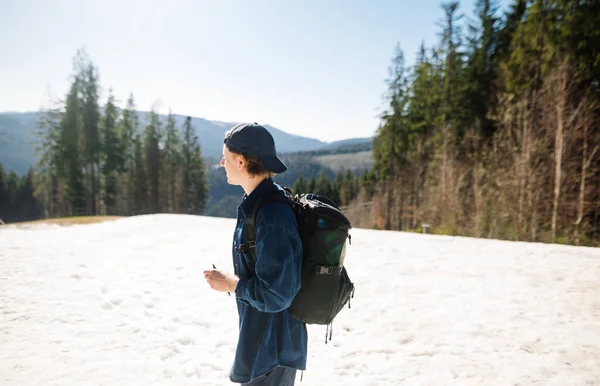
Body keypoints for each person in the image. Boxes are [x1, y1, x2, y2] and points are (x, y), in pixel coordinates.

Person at [203, 122, 307, 385]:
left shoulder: (272, 214)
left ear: (240, 162)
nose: (221, 162)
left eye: (225, 157)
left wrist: (230, 283)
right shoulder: (259, 204)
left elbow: (277, 293)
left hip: (273, 352)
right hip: (263, 344)